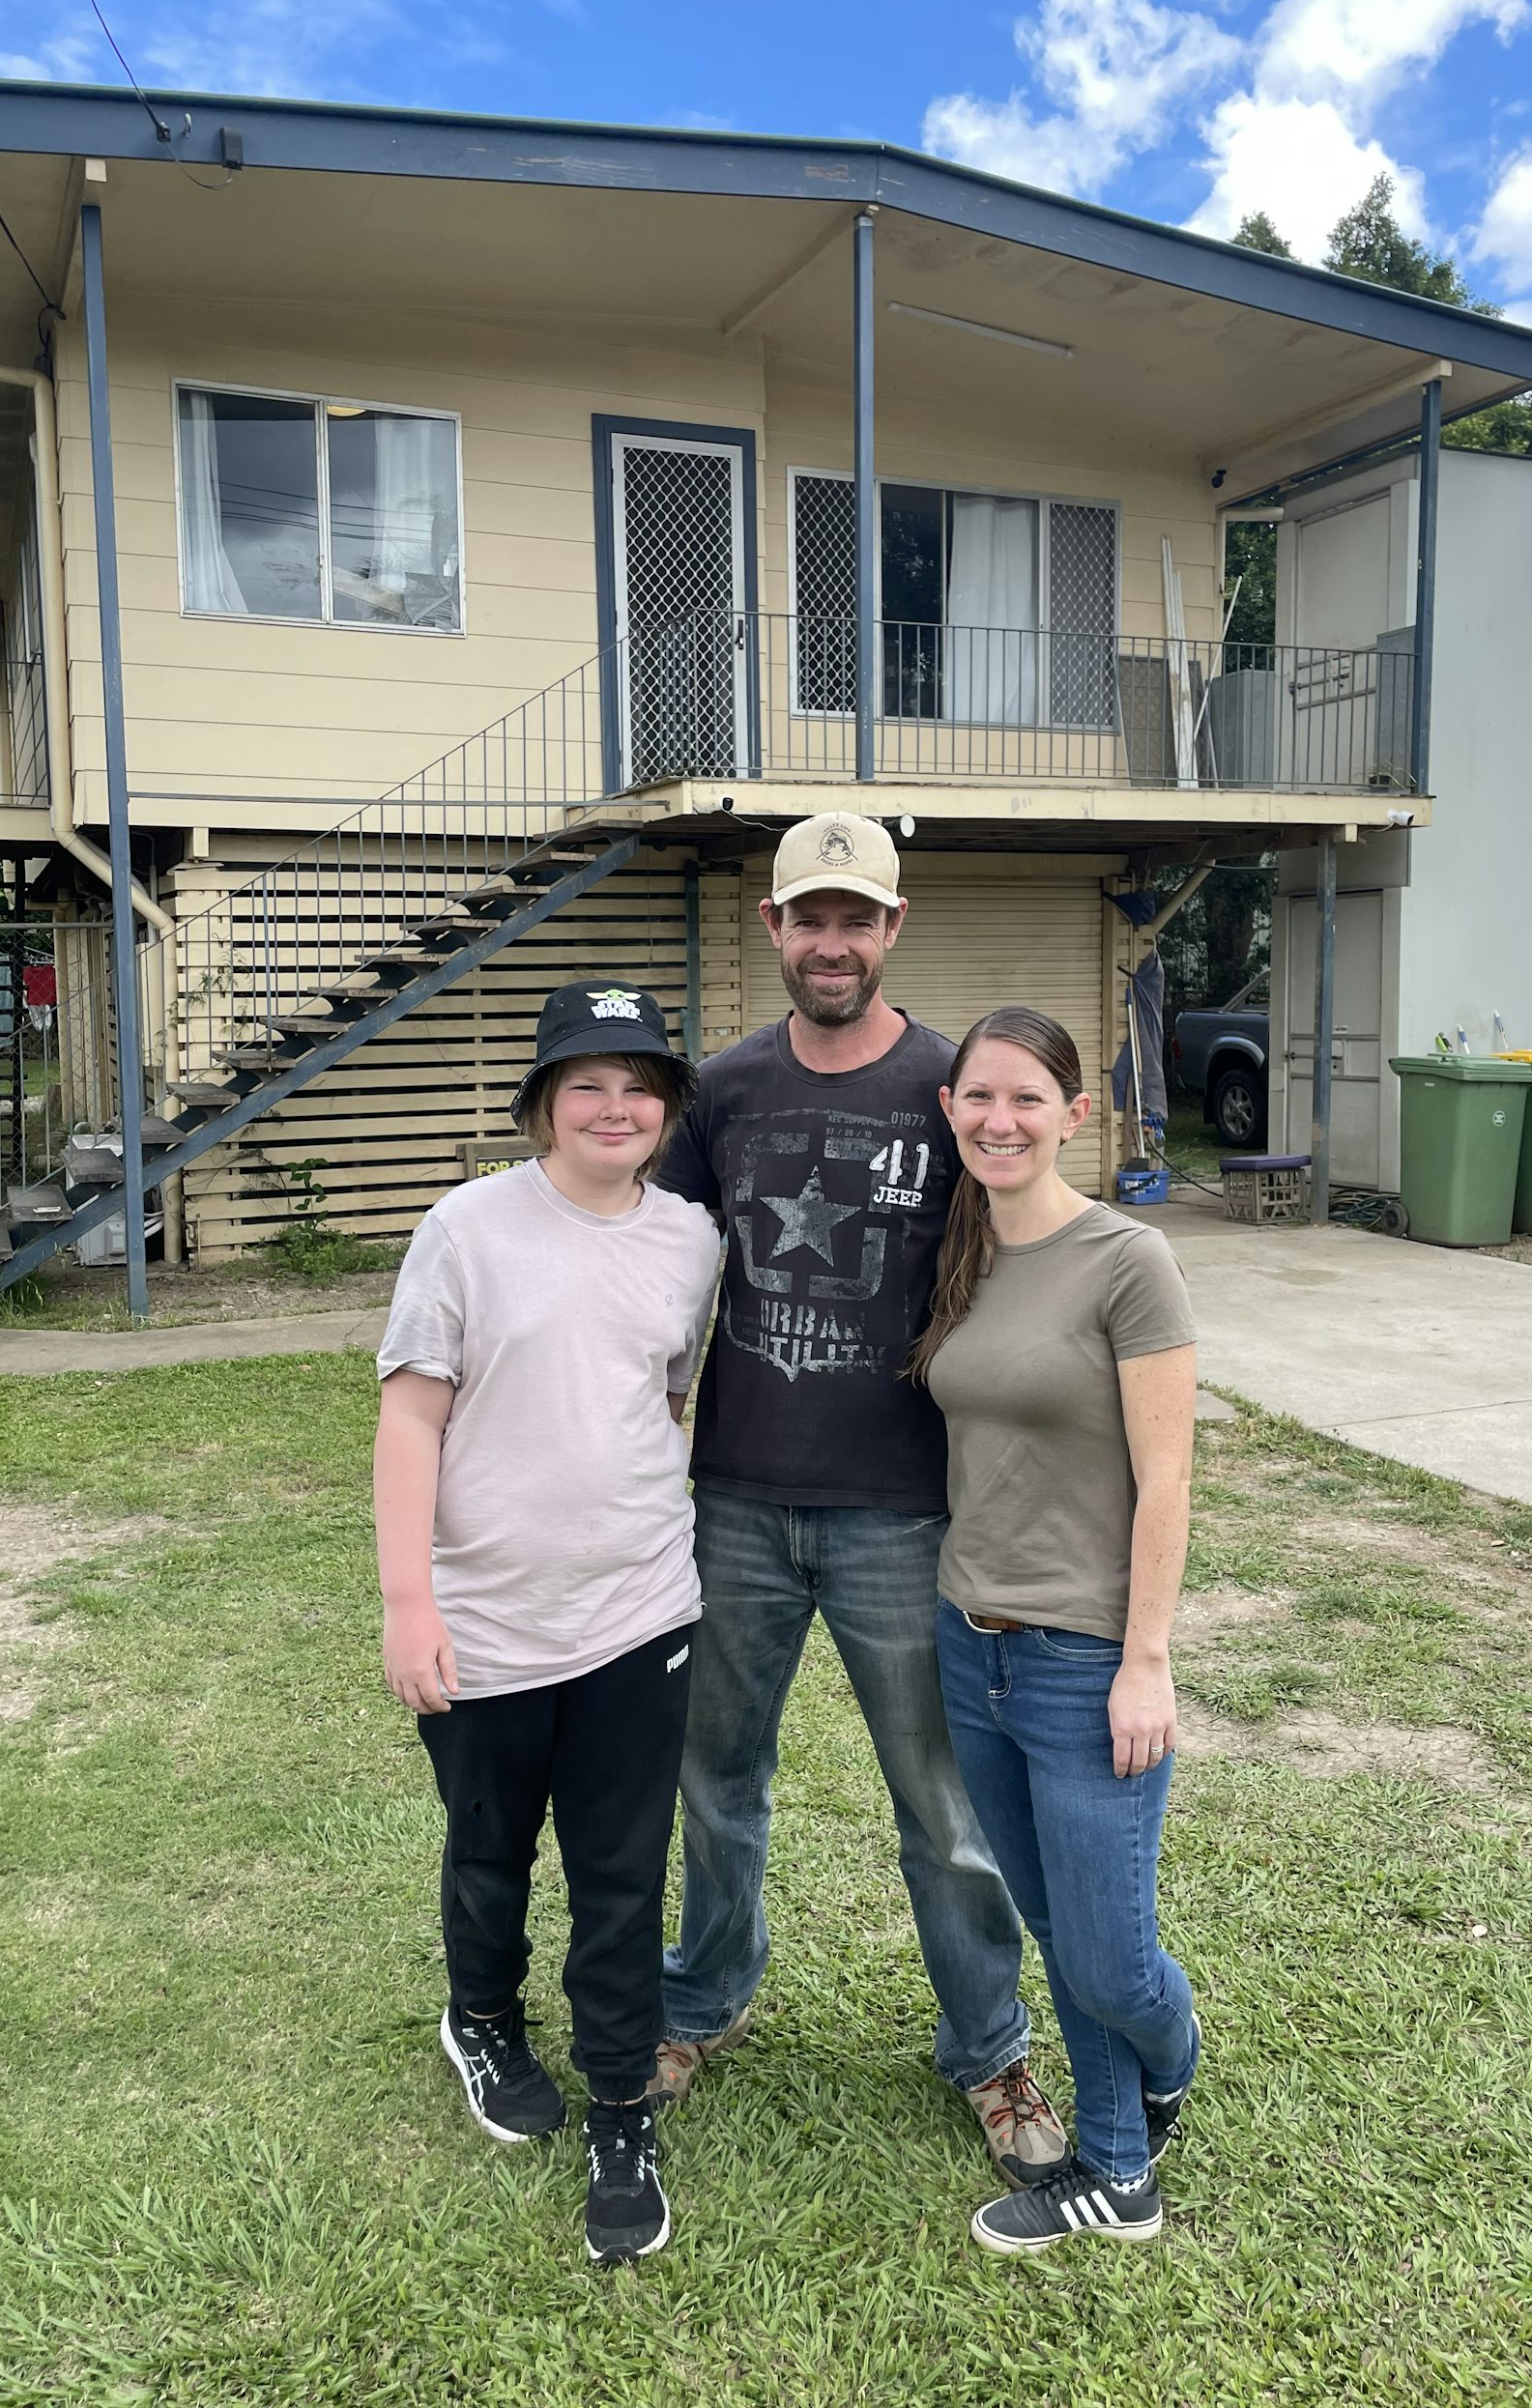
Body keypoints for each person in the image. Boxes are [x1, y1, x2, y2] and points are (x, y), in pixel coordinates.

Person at [651, 814, 1068, 2189]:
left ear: (895, 929)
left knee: (943, 1801)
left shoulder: (961, 1090)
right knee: (716, 1780)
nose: (831, 942)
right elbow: (661, 1273)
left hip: (906, 1507)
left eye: (857, 917)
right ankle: (702, 1999)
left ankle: (991, 2048)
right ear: (772, 928)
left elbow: (1034, 1260)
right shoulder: (723, 1092)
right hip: (738, 1501)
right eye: (807, 916)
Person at [373, 980, 720, 2265]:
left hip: (641, 1611)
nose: (616, 1106)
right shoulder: (466, 1231)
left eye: (640, 1085)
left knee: (626, 1875)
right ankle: (485, 2020)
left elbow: (664, 1401)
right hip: (488, 1621)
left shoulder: (691, 1242)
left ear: (667, 1110)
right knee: (492, 1850)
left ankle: (622, 2106)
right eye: (588, 1083)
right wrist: (411, 1603)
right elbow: (412, 1416)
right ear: (541, 1107)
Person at [910, 1004, 1200, 2250]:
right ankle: (1118, 2166)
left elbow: (1168, 1474)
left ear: (1077, 1113)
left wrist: (1145, 1662)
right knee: (1054, 1926)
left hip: (1085, 1659)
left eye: (1029, 1098)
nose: (1001, 1120)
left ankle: (1171, 2054)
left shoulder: (1129, 1261)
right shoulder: (961, 1254)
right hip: (968, 1646)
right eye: (979, 1097)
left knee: (1109, 1957)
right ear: (949, 1111)